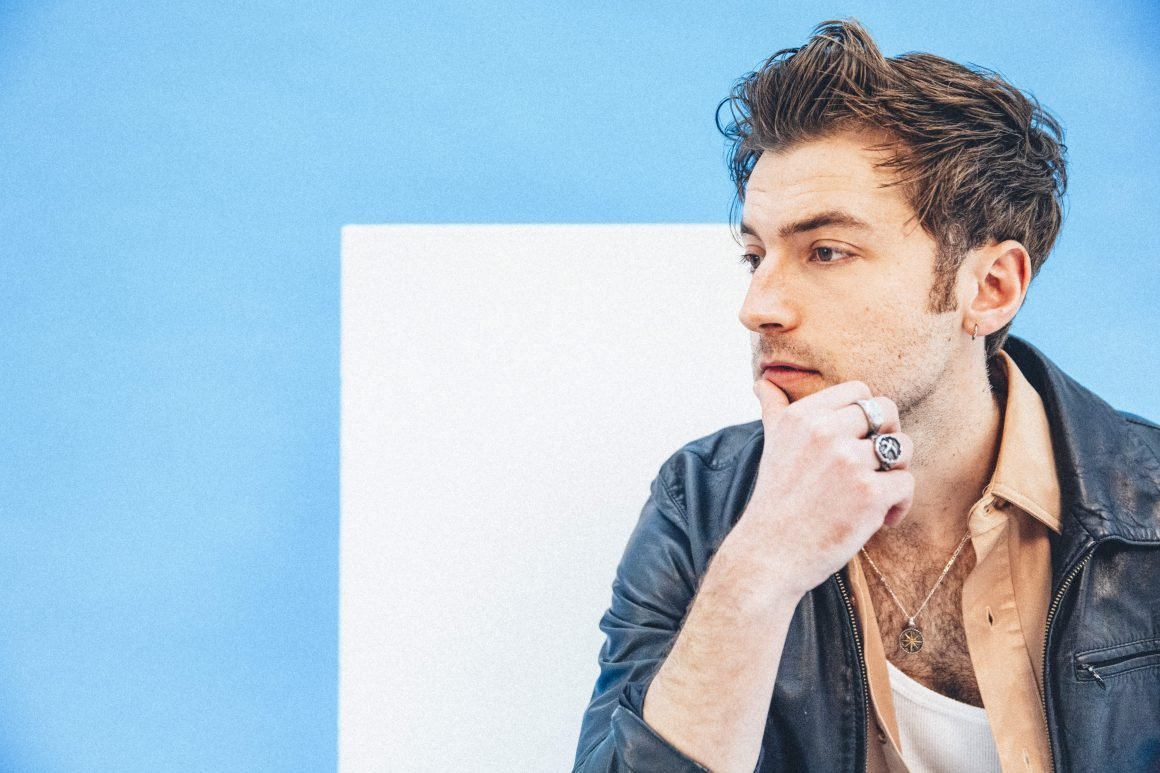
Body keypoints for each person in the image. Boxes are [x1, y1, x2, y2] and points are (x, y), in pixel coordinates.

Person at [573, 19, 1160, 773]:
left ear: (990, 288)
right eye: (755, 255)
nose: (758, 306)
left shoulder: (1145, 507)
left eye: (826, 251)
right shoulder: (701, 506)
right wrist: (761, 563)